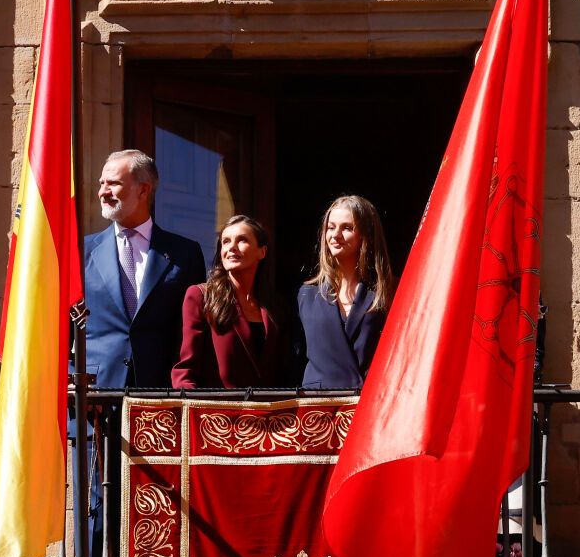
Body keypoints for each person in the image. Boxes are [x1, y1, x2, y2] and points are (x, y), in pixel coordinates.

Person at [79, 150, 206, 388]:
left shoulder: (185, 253)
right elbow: (60, 323)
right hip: (95, 394)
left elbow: (192, 329)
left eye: (113, 183)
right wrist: (70, 378)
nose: (103, 192)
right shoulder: (80, 251)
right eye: (101, 183)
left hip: (159, 392)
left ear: (143, 190)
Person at [174, 215, 288, 388]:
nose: (232, 247)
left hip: (268, 405)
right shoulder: (201, 296)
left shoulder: (277, 307)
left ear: (262, 252)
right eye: (226, 241)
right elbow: (185, 372)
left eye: (242, 240)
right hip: (217, 405)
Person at [292, 195, 394, 390]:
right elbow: (295, 358)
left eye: (347, 228)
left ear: (366, 235)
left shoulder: (386, 292)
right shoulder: (306, 295)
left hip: (370, 399)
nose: (335, 235)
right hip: (319, 403)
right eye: (331, 228)